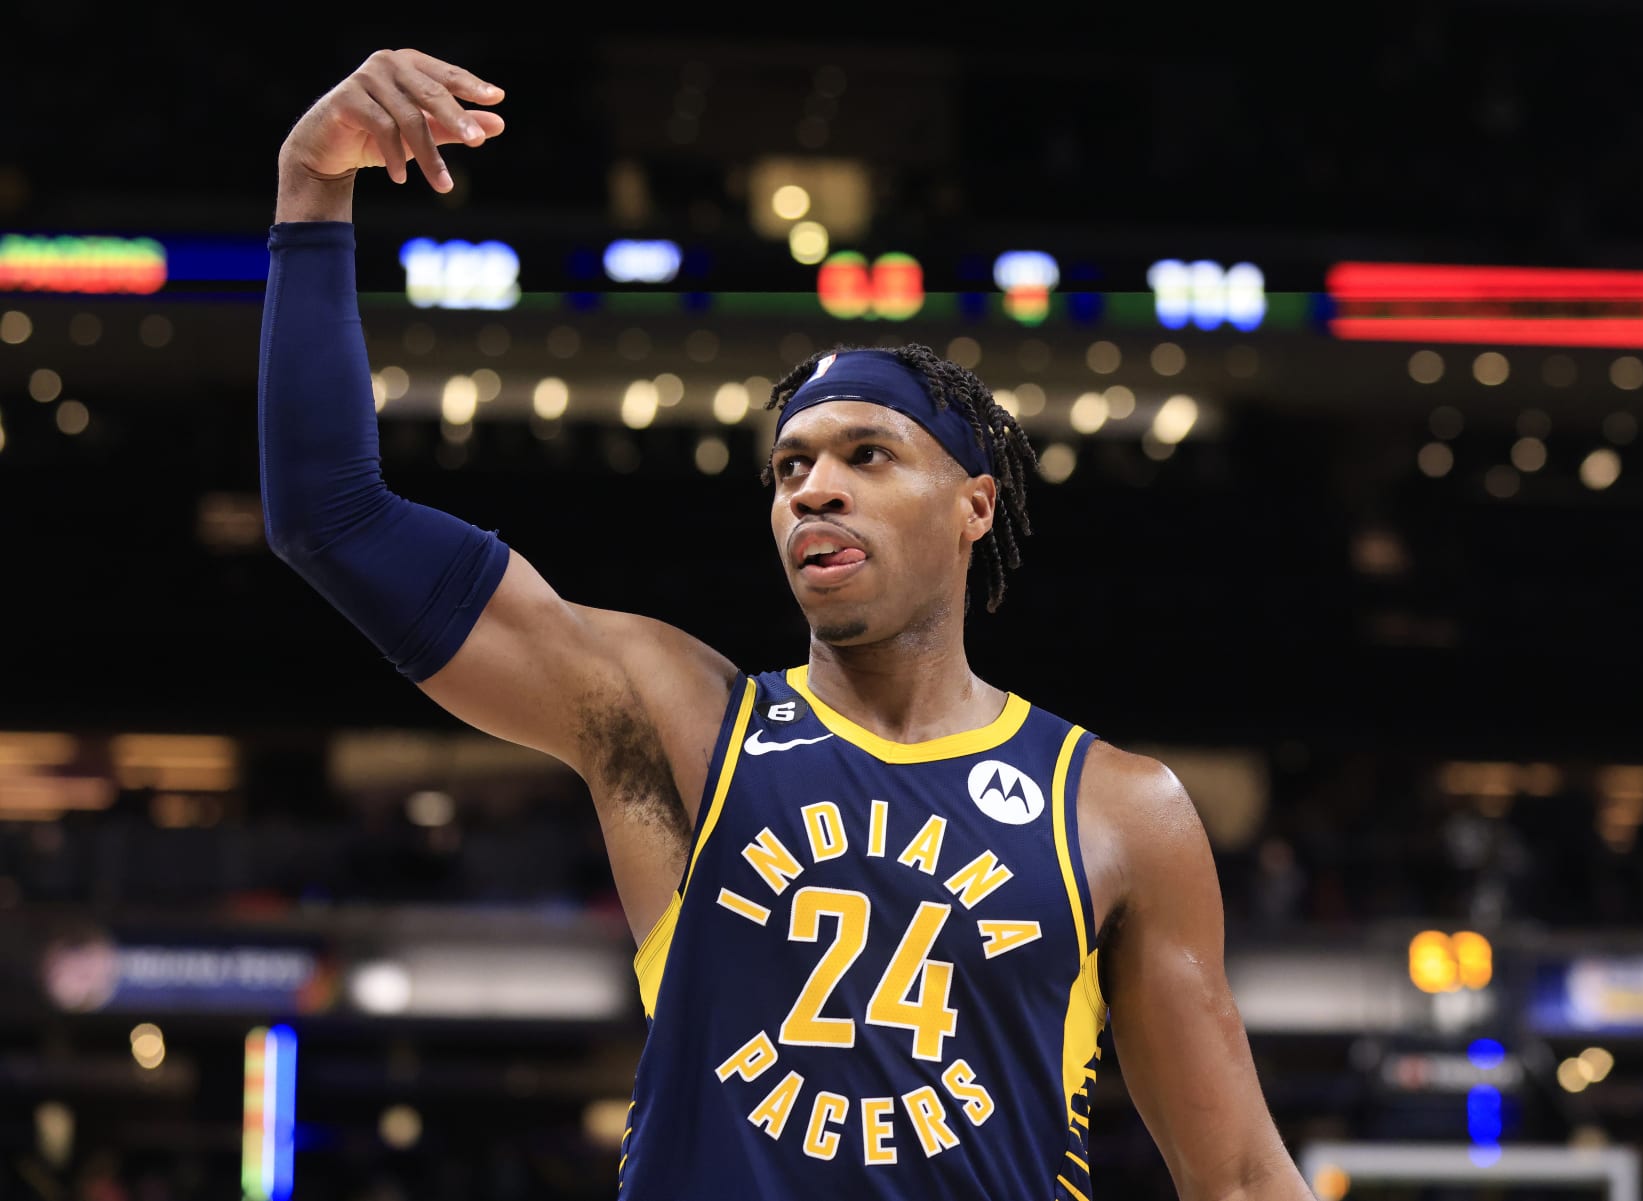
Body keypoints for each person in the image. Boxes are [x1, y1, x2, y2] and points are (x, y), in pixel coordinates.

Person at [260, 47, 1312, 1201]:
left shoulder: (1117, 806)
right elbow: (332, 520)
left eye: (868, 455)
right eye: (790, 467)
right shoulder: (681, 718)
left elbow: (1244, 1180)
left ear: (975, 506)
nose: (814, 488)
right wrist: (312, 188)